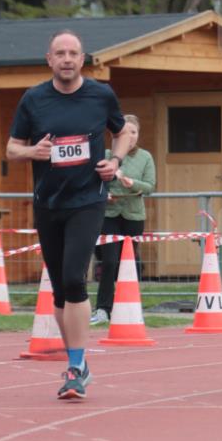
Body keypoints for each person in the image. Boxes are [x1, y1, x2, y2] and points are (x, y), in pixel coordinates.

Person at [6, 29, 130, 399]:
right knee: (61, 291)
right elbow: (12, 148)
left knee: (75, 278)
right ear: (49, 59)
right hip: (48, 203)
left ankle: (75, 365)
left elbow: (122, 132)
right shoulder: (34, 99)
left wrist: (115, 160)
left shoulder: (100, 94)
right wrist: (33, 154)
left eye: (73, 53)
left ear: (82, 58)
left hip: (88, 199)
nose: (66, 59)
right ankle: (80, 363)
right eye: (59, 53)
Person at [90, 114, 156, 324]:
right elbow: (93, 181)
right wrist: (103, 195)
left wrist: (133, 184)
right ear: (117, 134)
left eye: (134, 132)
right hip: (109, 215)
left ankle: (129, 307)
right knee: (109, 262)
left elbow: (150, 186)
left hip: (133, 216)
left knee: (129, 263)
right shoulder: (107, 154)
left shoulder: (145, 157)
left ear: (138, 134)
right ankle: (102, 309)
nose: (130, 136)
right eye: (126, 132)